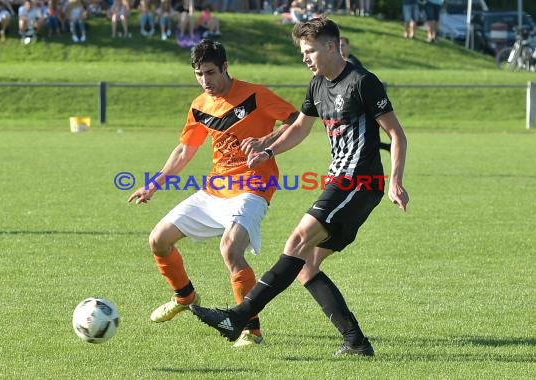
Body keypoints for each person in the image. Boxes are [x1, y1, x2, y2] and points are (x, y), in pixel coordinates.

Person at [190, 16, 409, 357]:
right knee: (306, 267)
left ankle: (238, 316)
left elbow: (396, 133)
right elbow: (300, 128)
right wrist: (268, 150)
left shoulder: (363, 82)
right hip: (342, 182)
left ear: (331, 46)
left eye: (309, 51)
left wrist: (395, 181)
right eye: (302, 52)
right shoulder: (317, 85)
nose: (305, 57)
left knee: (296, 240)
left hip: (360, 181)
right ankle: (356, 342)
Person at [127, 39, 298, 348]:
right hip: (215, 189)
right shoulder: (199, 106)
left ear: (225, 68)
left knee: (231, 249)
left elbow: (297, 121)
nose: (205, 80)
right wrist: (154, 184)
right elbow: (184, 149)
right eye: (198, 74)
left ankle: (251, 331)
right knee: (158, 239)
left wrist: (266, 141)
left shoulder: (255, 95)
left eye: (210, 72)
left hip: (254, 186)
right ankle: (184, 296)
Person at [339, 36, 391, 153]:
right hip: (351, 104)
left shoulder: (352, 63)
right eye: (338, 46)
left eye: (343, 45)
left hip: (360, 105)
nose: (340, 48)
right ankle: (387, 147)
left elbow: (359, 83)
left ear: (348, 47)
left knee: (360, 137)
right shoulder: (342, 63)